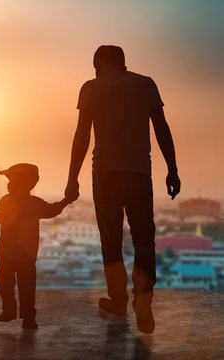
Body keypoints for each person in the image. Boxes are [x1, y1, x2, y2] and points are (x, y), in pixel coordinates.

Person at [64, 45, 181, 334]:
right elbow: (162, 128)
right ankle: (143, 301)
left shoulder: (91, 88)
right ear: (123, 62)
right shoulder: (146, 84)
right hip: (140, 172)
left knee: (111, 239)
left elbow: (82, 135)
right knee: (144, 238)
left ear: (98, 65)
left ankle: (118, 300)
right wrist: (173, 169)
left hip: (106, 174)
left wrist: (72, 178)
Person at [0, 163, 70, 329]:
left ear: (20, 182)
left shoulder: (6, 200)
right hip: (26, 254)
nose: (7, 183)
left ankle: (9, 311)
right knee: (27, 286)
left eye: (11, 180)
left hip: (5, 251)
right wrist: (66, 201)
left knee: (5, 282)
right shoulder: (35, 203)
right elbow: (52, 210)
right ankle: (28, 318)